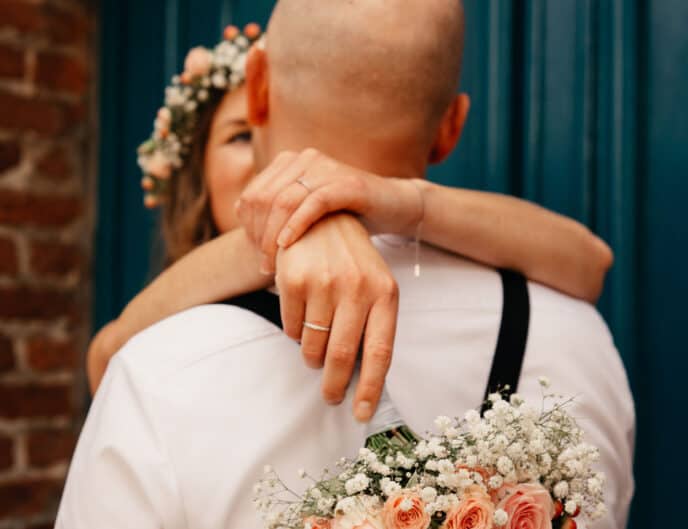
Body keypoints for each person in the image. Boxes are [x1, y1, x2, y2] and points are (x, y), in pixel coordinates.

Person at [56, 1, 634, 528]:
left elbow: (108, 357)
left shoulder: (163, 370)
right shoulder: (582, 340)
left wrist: (319, 212)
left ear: (256, 87)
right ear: (451, 126)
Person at [86, 22, 613, 417]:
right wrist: (311, 222)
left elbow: (590, 260)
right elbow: (107, 353)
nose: (271, 167)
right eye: (238, 137)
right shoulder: (167, 338)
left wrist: (375, 203)